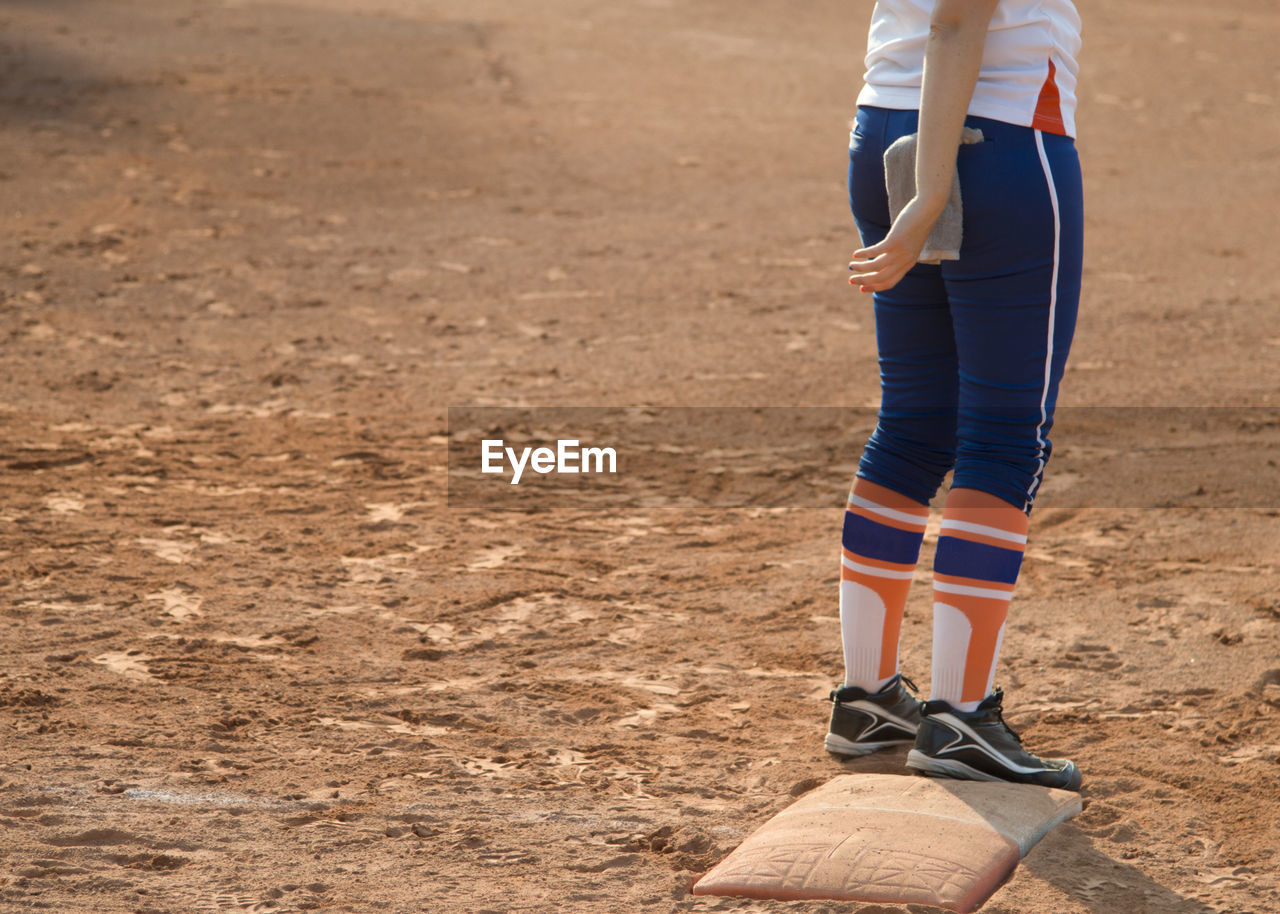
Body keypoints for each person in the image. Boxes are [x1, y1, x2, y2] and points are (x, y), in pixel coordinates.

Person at [826, 0, 1084, 790]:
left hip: (884, 124)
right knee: (1005, 440)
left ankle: (867, 699)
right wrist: (931, 194)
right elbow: (957, 18)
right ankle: (961, 719)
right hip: (995, 141)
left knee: (913, 426)